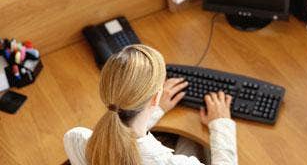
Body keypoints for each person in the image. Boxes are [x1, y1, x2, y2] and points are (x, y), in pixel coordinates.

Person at [63, 44, 237, 165]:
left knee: (189, 140)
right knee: (197, 143)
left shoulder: (76, 139)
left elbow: (126, 132)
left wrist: (155, 109)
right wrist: (221, 124)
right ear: (155, 98)